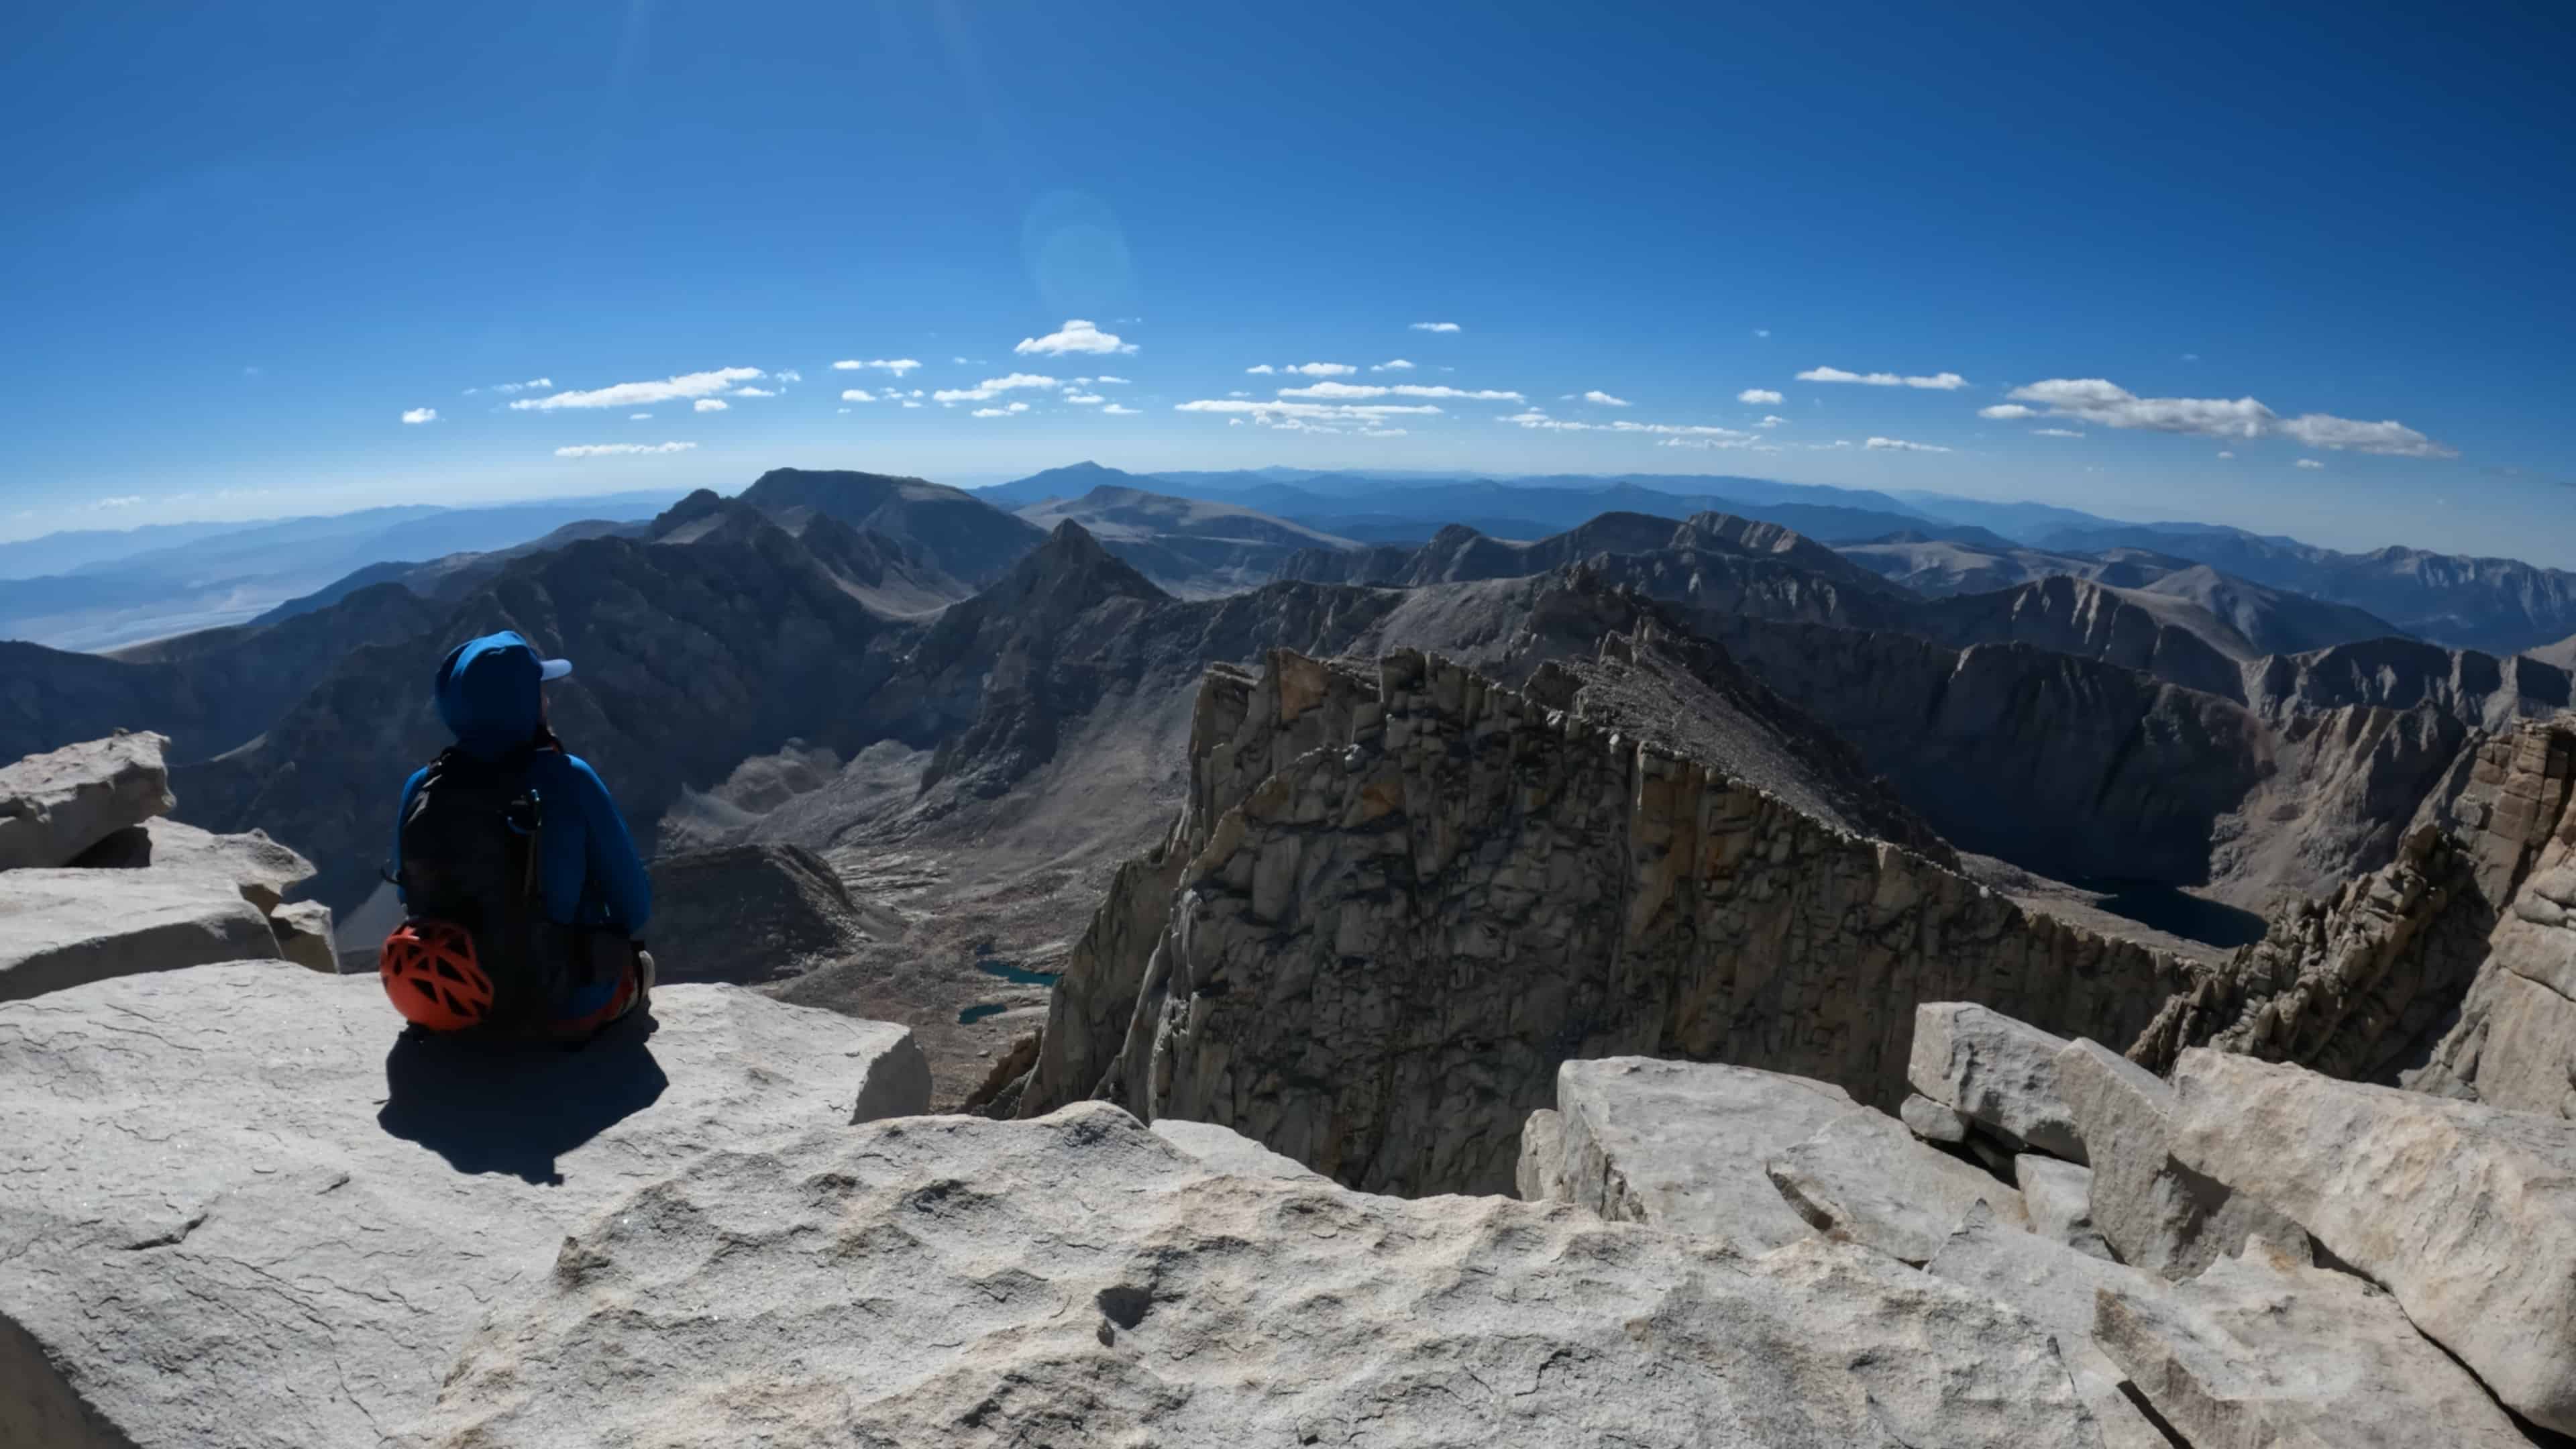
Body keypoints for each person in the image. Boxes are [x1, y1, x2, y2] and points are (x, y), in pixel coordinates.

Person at [380, 631, 653, 1038]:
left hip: (449, 1005)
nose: (547, 700)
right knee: (640, 964)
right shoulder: (571, 778)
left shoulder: (421, 786)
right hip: (558, 1007)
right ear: (524, 704)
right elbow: (633, 908)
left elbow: (408, 895)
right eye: (538, 691)